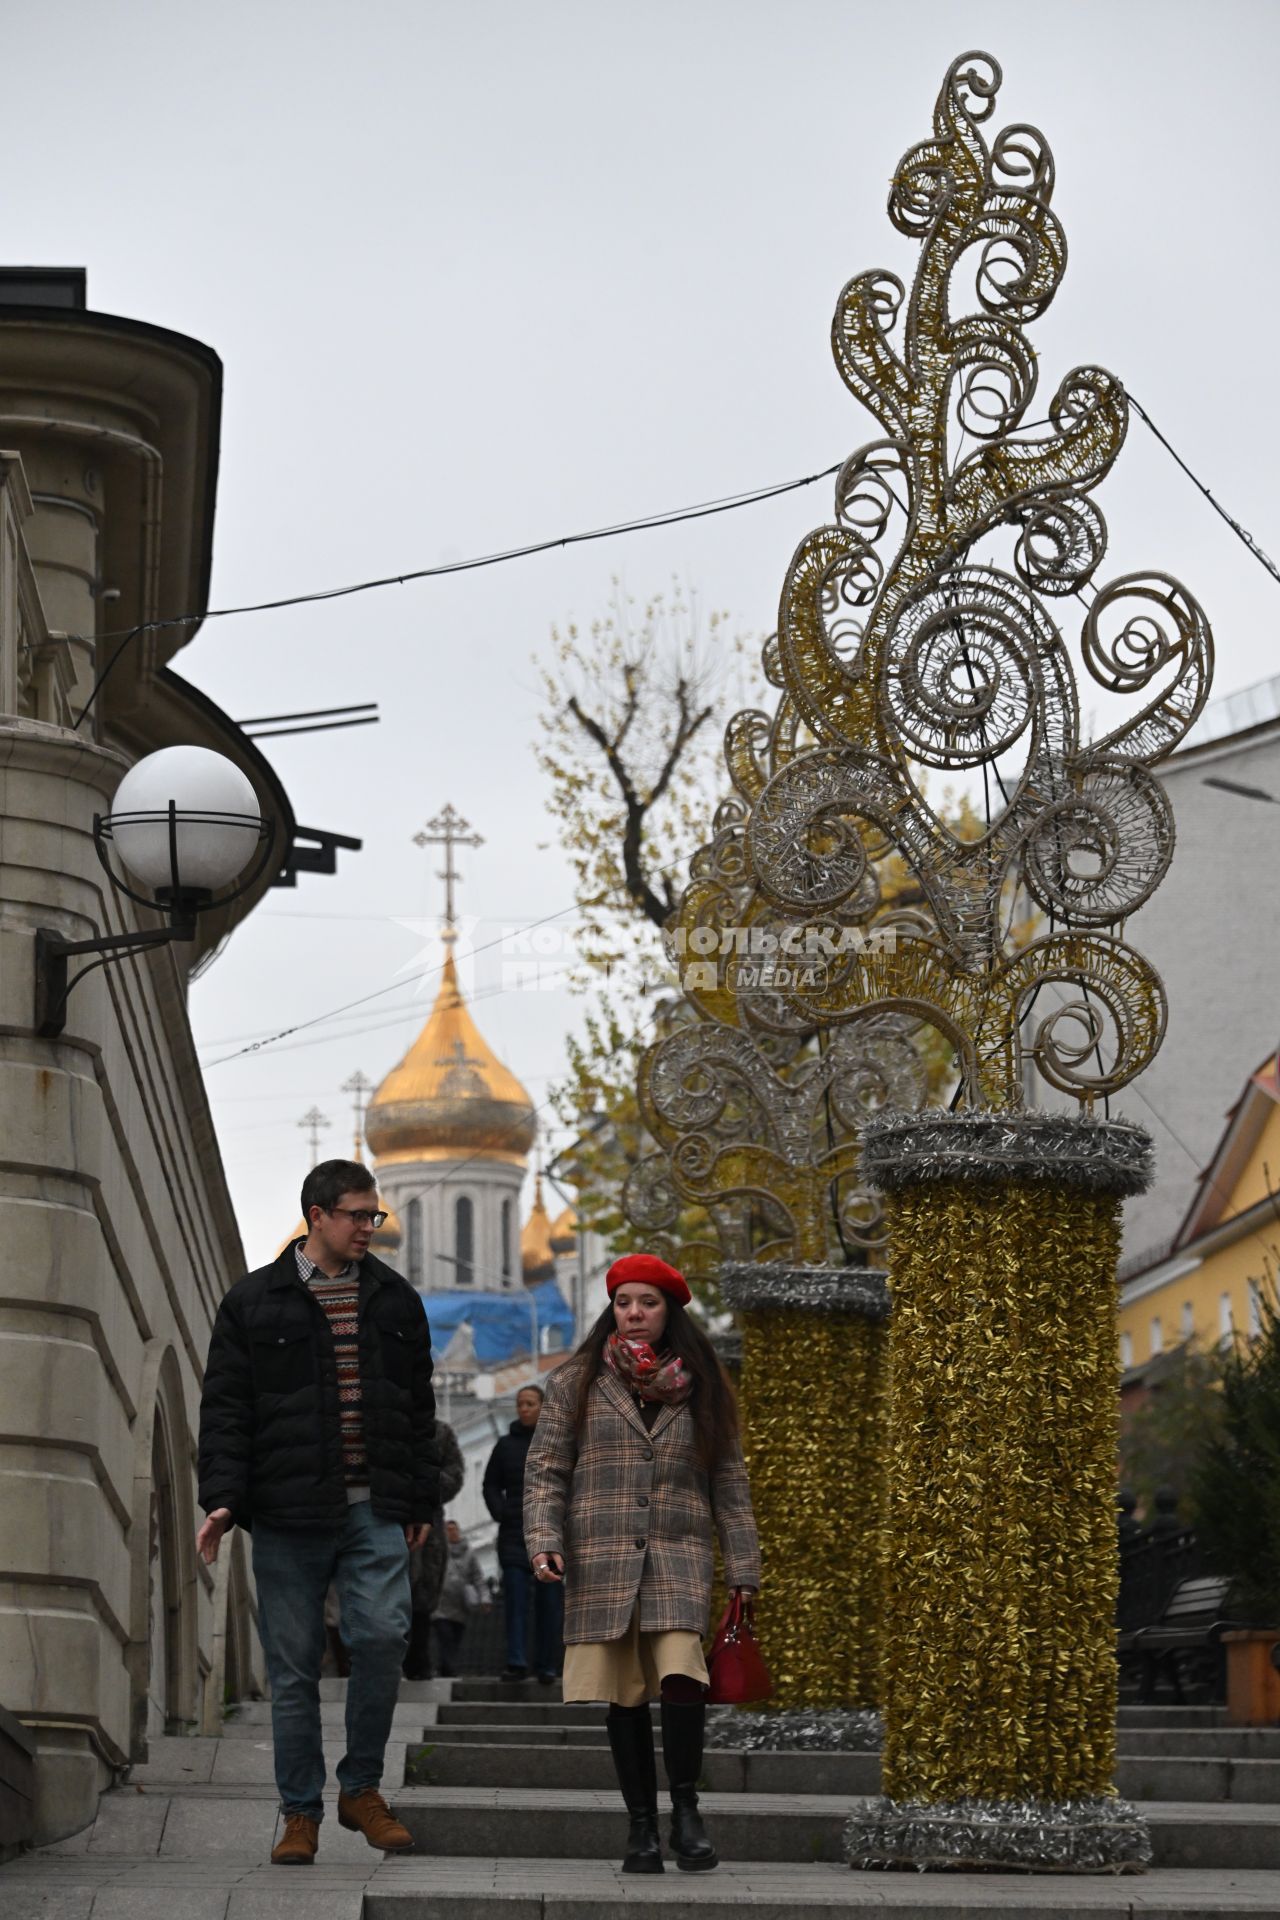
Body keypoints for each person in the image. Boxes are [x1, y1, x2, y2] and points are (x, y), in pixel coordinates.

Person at [196, 1158, 438, 1868]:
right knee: (295, 1668)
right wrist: (221, 1500)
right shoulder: (253, 1302)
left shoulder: (396, 1301)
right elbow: (227, 1412)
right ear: (318, 1216)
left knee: (385, 1637)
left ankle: (360, 1788)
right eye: (358, 1215)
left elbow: (416, 1409)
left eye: (375, 1216)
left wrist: (418, 1496)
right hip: (286, 1512)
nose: (369, 1228)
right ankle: (299, 1812)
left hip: (374, 1508)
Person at [524, 1253, 760, 1875]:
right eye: (624, 1302)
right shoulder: (575, 1381)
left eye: (648, 1303)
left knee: (683, 1677)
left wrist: (743, 1566)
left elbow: (729, 1479)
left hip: (679, 1551)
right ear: (612, 1310)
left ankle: (686, 1810)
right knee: (624, 1694)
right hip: (600, 1553)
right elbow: (546, 1469)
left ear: (669, 1312)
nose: (634, 1313)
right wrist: (543, 1537)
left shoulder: (703, 1384)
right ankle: (641, 1830)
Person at [483, 1384, 563, 1683]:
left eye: (530, 1403)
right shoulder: (505, 1445)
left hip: (551, 1535)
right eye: (520, 1404)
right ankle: (516, 1661)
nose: (524, 1409)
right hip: (514, 1534)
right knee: (515, 1600)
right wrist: (501, 1511)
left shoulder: (557, 1442)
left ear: (543, 1407)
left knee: (549, 1602)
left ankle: (546, 1665)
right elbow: (490, 1484)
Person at [404, 1420, 465, 1679]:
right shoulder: (386, 1424)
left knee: (423, 1596)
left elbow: (454, 1474)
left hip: (429, 1525)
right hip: (386, 1517)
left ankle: (418, 1661)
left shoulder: (440, 1432)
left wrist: (425, 1484)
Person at [432, 1519, 487, 1675]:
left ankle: (444, 1667)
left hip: (460, 1606)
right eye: (448, 1529)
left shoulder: (469, 1554)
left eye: (454, 1529)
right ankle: (449, 1668)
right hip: (440, 1606)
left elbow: (478, 1577)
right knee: (445, 1637)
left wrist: (484, 1597)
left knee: (454, 1639)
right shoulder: (438, 1549)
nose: (451, 1532)